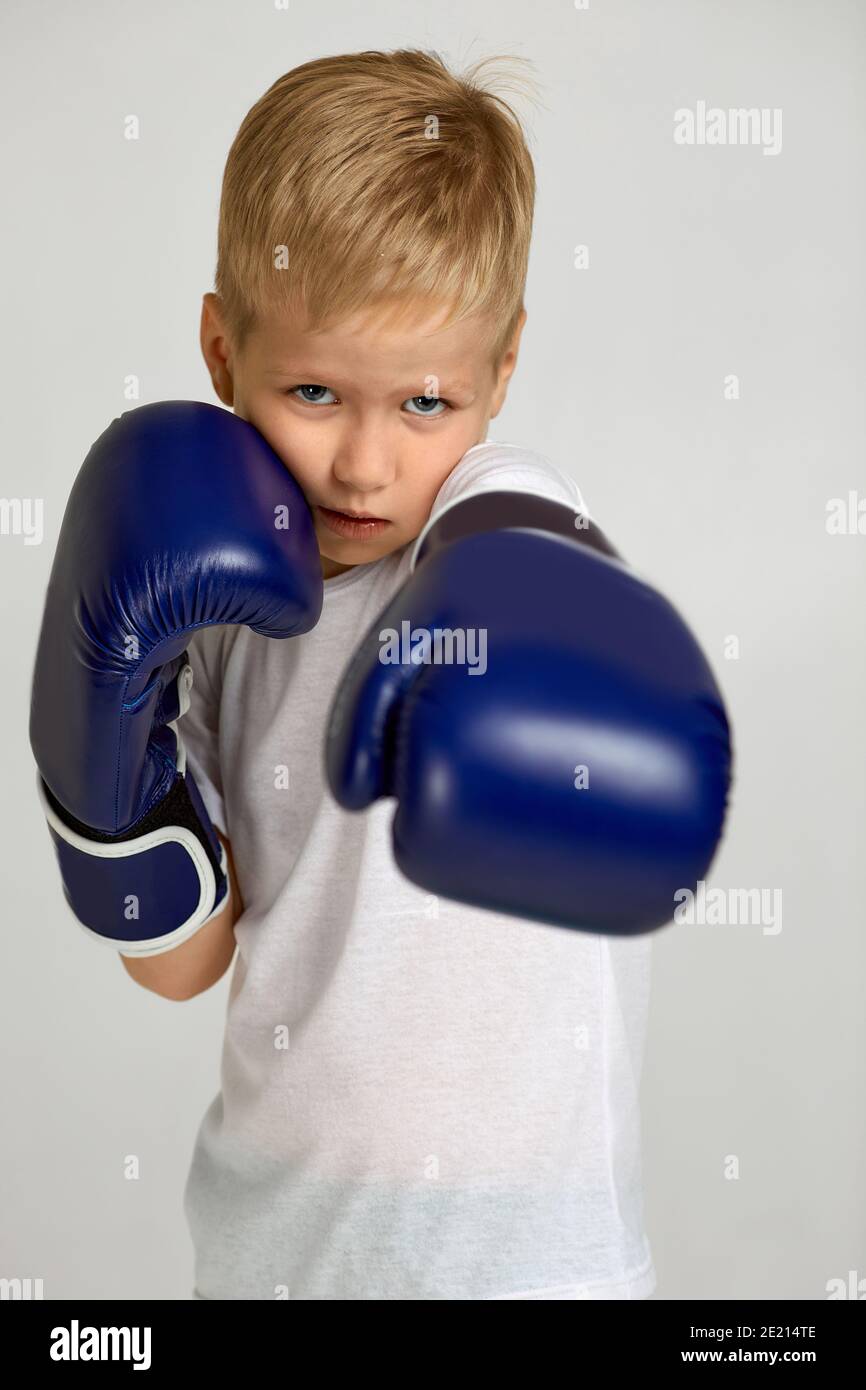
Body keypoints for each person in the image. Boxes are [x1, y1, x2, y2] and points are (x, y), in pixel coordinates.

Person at [30, 49, 731, 1300]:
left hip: (532, 1264)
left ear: (498, 374)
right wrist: (98, 746)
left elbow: (526, 547)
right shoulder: (215, 619)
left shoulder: (505, 522)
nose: (365, 465)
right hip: (277, 1255)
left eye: (424, 401)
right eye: (313, 391)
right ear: (218, 346)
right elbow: (181, 963)